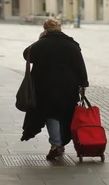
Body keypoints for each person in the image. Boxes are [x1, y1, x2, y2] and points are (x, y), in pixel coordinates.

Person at [21, 18, 89, 160]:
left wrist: (39, 40)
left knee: (52, 114)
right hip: (68, 87)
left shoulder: (41, 44)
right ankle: (60, 142)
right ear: (60, 28)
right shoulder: (71, 45)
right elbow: (80, 66)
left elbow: (27, 54)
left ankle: (56, 144)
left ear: (45, 29)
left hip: (45, 87)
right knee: (65, 113)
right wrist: (83, 84)